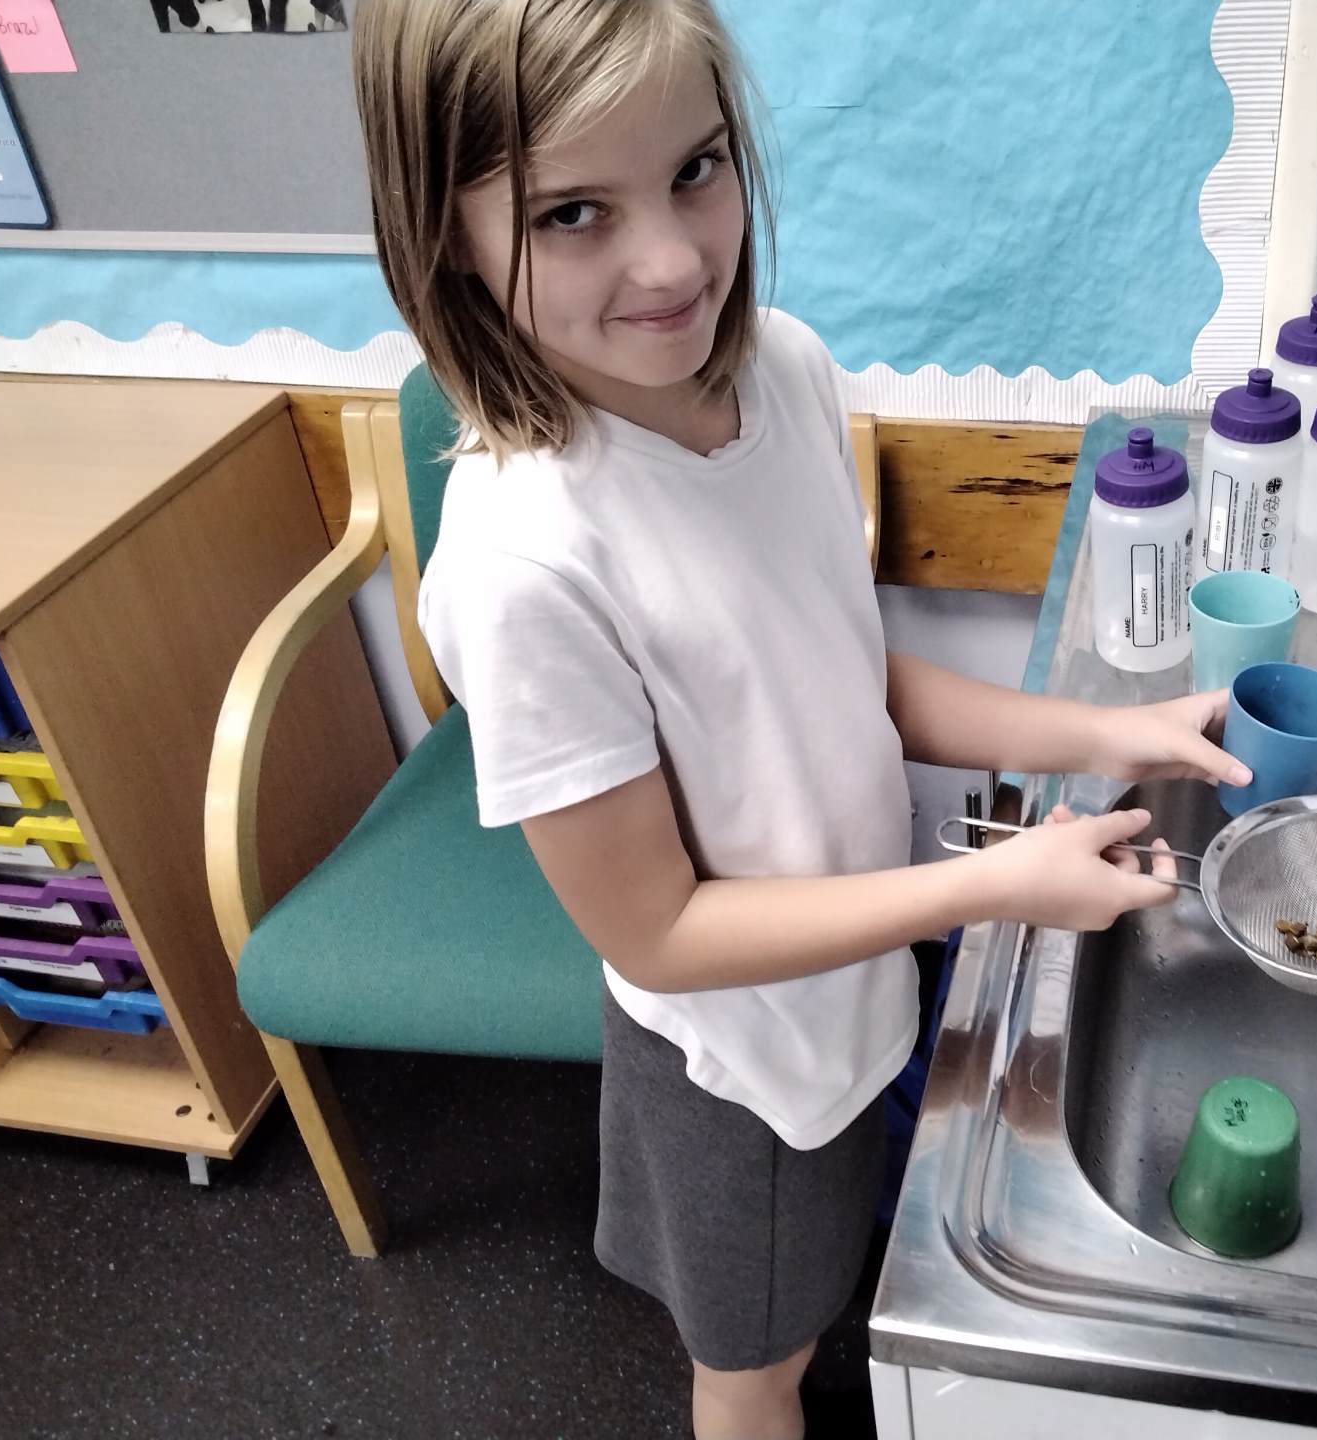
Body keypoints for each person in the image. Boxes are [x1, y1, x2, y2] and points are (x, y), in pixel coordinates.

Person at [351, 3, 1249, 1435]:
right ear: (444, 233)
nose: (672, 262)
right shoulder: (526, 564)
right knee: (752, 1366)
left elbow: (848, 674)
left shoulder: (785, 369)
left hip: (856, 979)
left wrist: (1105, 732)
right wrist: (996, 883)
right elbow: (657, 932)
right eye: (575, 212)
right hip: (746, 1062)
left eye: (696, 170)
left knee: (817, 1285)